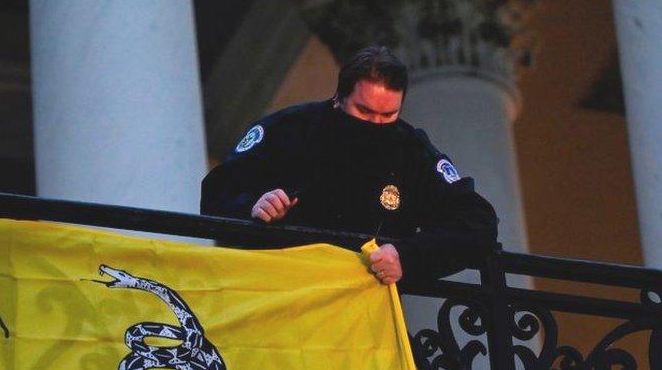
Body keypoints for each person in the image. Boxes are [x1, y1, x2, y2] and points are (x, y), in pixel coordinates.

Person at [200, 46, 498, 284]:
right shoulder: (288, 129)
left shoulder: (410, 150)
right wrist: (252, 207)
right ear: (339, 98)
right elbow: (216, 194)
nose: (376, 124)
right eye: (364, 112)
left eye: (388, 115)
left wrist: (407, 256)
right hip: (279, 296)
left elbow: (477, 222)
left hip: (364, 313)